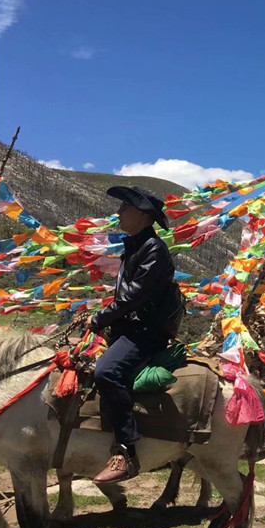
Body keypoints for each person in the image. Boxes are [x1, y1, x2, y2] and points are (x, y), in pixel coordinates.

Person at [88, 186, 179, 483]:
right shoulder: (136, 247)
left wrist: (99, 318)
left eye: (123, 208)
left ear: (141, 214)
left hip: (146, 331)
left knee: (106, 372)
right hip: (130, 328)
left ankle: (126, 451)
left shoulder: (153, 249)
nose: (118, 213)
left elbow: (134, 297)